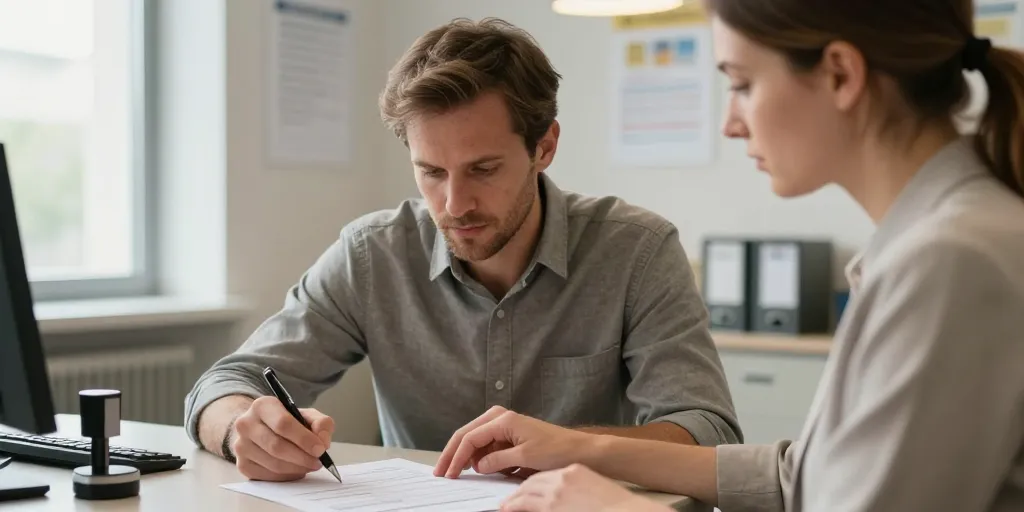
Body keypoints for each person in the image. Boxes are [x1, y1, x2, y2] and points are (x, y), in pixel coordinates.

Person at [434, 1, 1024, 511]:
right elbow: (810, 479)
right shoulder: (941, 237)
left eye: (741, 83)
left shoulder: (951, 261)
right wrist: (580, 447)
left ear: (841, 74)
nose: (730, 123)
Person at [183, 18, 742, 482]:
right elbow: (224, 384)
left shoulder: (637, 252)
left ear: (544, 146)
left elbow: (708, 430)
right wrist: (240, 430)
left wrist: (570, 445)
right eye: (431, 171)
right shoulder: (372, 255)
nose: (454, 204)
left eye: (484, 169)